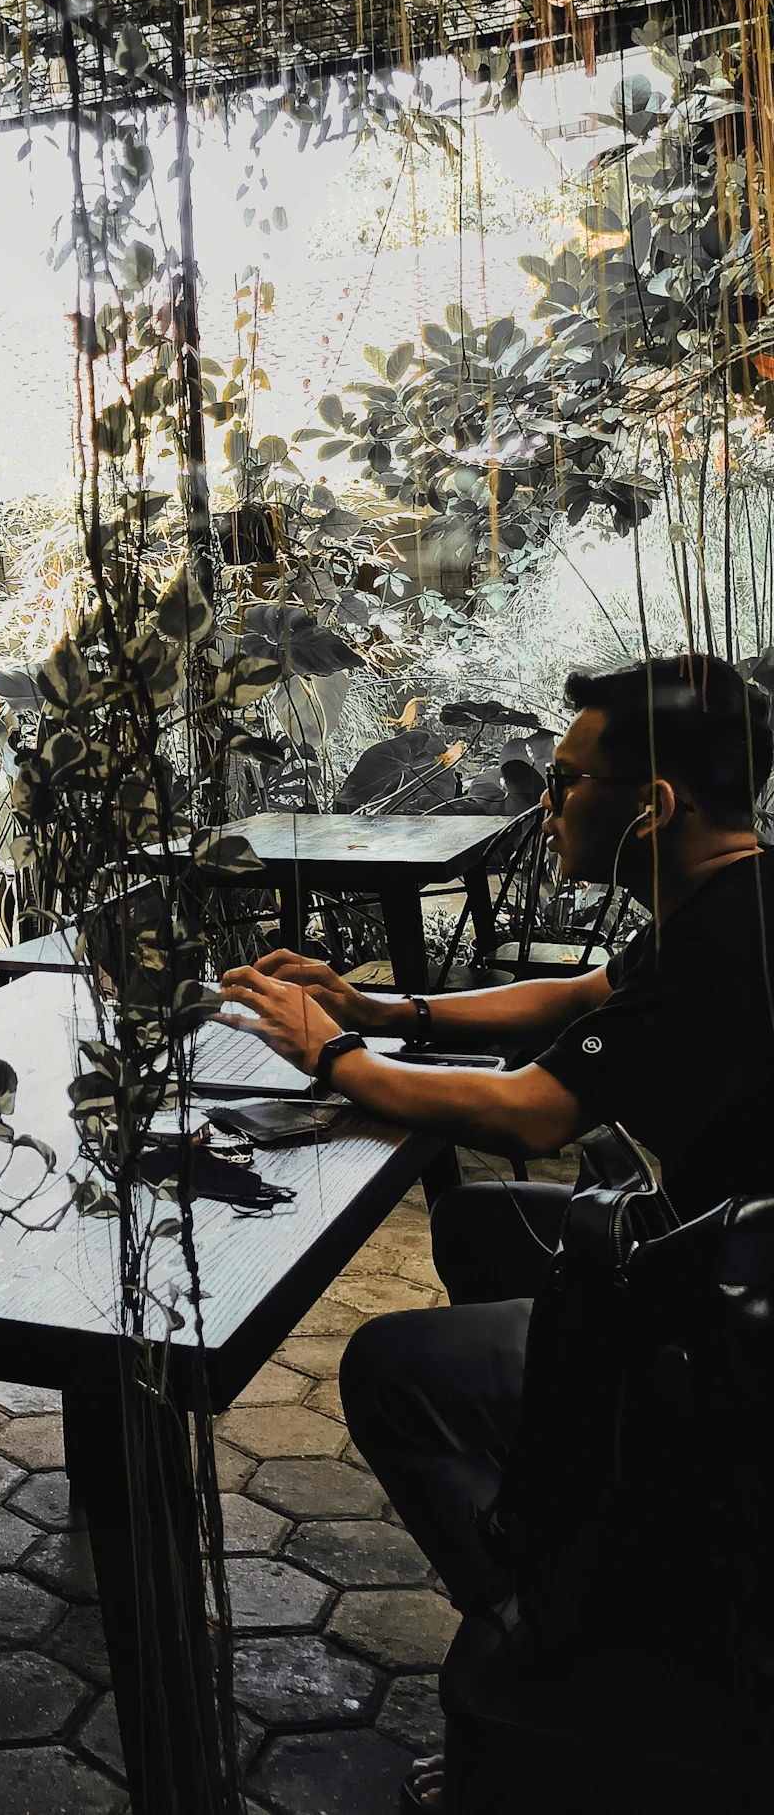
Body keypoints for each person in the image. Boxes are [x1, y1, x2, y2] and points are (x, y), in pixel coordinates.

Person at [218, 654, 774, 1802]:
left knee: (392, 1365)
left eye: (567, 782)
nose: (548, 802)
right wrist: (385, 1009)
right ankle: (580, 1498)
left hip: (741, 1333)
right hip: (719, 1244)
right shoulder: (738, 895)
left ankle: (564, 1648)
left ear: (651, 807)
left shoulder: (730, 951)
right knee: (479, 1226)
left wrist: (331, 1057)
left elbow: (532, 1110)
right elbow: (576, 1002)